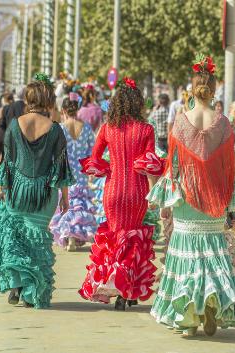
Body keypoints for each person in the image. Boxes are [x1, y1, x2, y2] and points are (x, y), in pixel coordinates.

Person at [148, 55, 235, 337]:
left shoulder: (180, 122)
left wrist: (166, 204)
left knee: (188, 258)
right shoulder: (223, 123)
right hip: (214, 198)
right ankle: (211, 306)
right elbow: (229, 166)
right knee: (213, 256)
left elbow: (174, 166)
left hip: (186, 198)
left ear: (192, 90)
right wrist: (230, 203)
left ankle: (188, 318)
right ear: (214, 90)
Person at [0, 74, 75, 308]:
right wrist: (65, 197)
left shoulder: (14, 125)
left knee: (16, 239)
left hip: (17, 191)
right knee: (36, 242)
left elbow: (7, 162)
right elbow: (61, 165)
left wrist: (3, 188)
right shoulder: (55, 130)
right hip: (44, 194)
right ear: (49, 101)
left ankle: (15, 284)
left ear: (28, 99)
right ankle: (32, 292)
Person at [78, 77, 164, 310]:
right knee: (134, 240)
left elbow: (94, 159)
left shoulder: (107, 129)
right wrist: (156, 193)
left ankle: (114, 286)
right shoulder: (146, 129)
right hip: (137, 192)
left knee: (116, 238)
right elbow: (149, 165)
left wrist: (105, 168)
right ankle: (127, 292)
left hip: (113, 190)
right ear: (138, 104)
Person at [50, 93, 97, 251]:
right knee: (79, 205)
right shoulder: (86, 128)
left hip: (65, 172)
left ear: (63, 110)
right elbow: (93, 150)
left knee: (66, 203)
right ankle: (75, 238)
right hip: (81, 172)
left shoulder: (61, 128)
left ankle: (70, 238)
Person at [0, 86, 26, 158]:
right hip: (23, 138)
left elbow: (2, 123)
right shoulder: (27, 107)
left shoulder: (8, 107)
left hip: (9, 136)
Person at [0, 92, 14, 170]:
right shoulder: (16, 108)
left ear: (4, 100)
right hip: (12, 134)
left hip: (2, 133)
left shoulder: (3, 109)